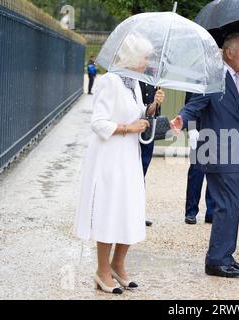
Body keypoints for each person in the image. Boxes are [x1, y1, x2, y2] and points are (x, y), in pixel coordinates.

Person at [170, 33, 239, 278]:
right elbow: (195, 104)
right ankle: (215, 260)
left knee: (233, 207)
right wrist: (182, 119)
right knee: (226, 206)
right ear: (229, 53)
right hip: (218, 151)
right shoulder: (213, 77)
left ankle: (226, 255)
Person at [74, 35, 156, 294]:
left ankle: (118, 264)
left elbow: (139, 117)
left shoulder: (133, 83)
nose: (148, 62)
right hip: (109, 156)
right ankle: (101, 270)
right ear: (132, 58)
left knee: (131, 208)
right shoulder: (110, 81)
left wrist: (152, 107)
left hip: (129, 155)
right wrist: (128, 128)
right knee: (108, 210)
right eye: (145, 57)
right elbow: (98, 122)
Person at [184, 92, 216, 225]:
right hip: (198, 131)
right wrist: (191, 129)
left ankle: (212, 212)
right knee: (196, 173)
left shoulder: (222, 80)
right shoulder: (196, 79)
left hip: (216, 131)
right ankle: (191, 212)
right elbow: (189, 107)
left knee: (215, 173)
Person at [139, 81, 165, 227]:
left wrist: (157, 102)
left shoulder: (156, 80)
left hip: (149, 130)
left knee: (142, 171)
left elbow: (153, 111)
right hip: (133, 130)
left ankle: (137, 212)